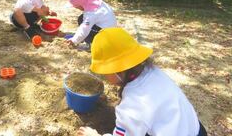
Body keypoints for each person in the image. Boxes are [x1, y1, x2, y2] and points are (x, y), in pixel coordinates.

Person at [77, 28, 207, 136]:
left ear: (117, 70)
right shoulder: (154, 72)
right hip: (194, 129)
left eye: (105, 71)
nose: (104, 76)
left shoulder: (133, 105)